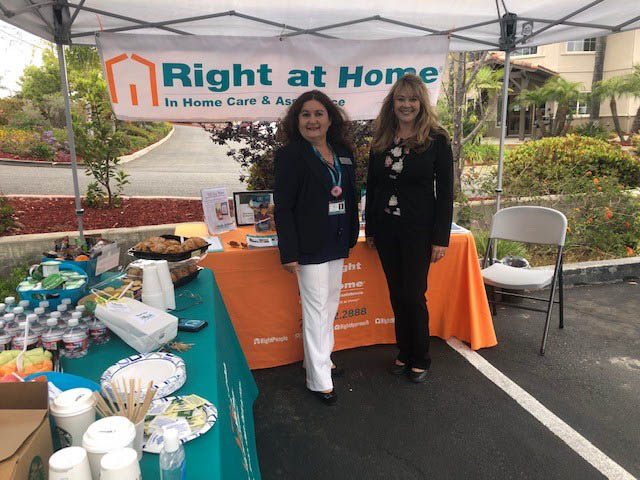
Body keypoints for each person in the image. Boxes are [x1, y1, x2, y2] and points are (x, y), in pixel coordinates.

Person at [365, 74, 454, 383]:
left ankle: (421, 356)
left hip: (419, 230)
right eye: (400, 99)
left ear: (421, 103)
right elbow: (373, 185)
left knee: (414, 295)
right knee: (397, 293)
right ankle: (403, 351)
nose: (406, 104)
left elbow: (445, 193)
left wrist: (440, 238)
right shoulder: (382, 138)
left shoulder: (436, 139)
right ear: (393, 103)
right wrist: (371, 229)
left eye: (412, 99)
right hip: (387, 229)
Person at [274, 90, 359, 405]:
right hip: (308, 245)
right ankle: (319, 379)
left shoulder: (342, 151)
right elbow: (282, 207)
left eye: (318, 113)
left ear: (330, 118)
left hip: (337, 239)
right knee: (315, 309)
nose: (312, 120)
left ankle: (321, 359)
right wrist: (289, 252)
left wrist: (352, 234)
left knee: (330, 306)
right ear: (297, 121)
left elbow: (350, 195)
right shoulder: (290, 156)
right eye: (305, 114)